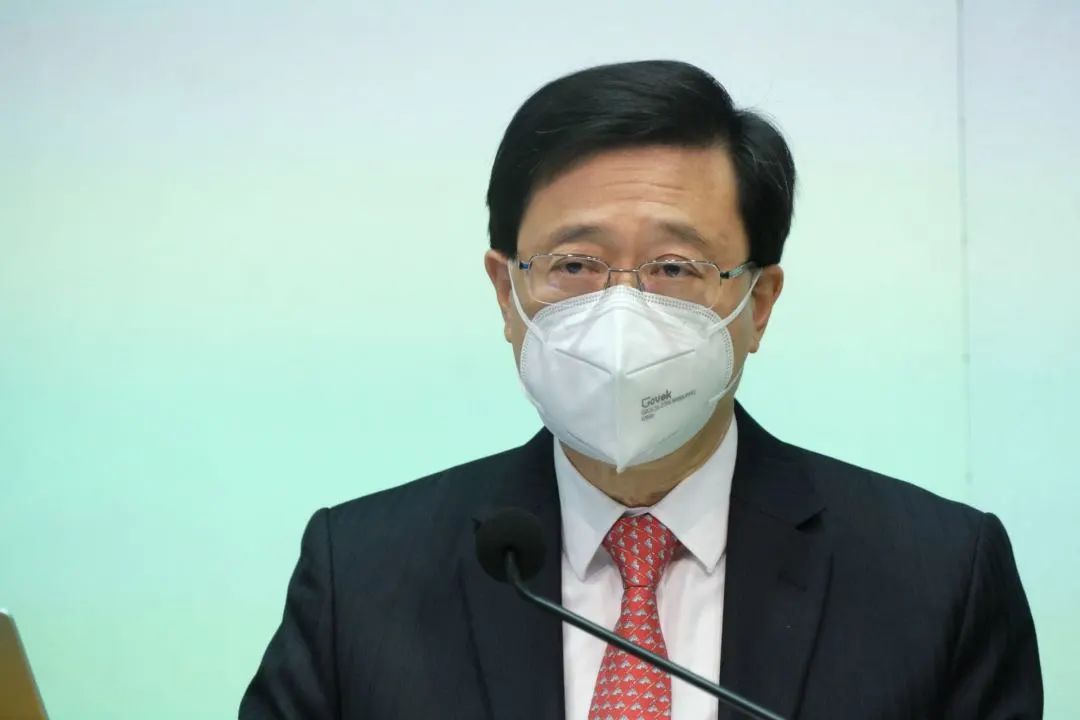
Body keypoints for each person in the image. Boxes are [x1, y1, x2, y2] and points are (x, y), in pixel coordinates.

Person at [239, 60, 1042, 720]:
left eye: (673, 268)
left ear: (758, 304)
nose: (620, 313)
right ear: (505, 295)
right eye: (575, 265)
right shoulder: (361, 576)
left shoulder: (937, 580)